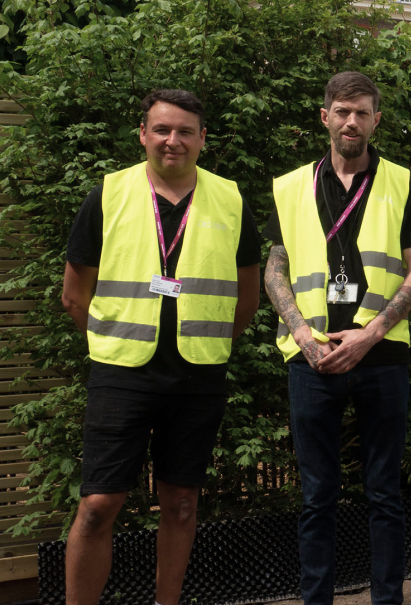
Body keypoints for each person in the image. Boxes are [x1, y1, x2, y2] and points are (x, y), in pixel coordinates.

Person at [61, 89, 261, 605]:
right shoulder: (108, 194)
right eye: (163, 130)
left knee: (181, 505)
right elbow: (74, 293)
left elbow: (246, 296)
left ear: (202, 139)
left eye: (185, 131)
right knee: (99, 505)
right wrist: (112, 342)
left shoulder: (231, 199)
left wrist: (212, 340)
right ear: (144, 134)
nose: (173, 141)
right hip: (121, 373)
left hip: (198, 375)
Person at [263, 72, 411, 605]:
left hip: (381, 357)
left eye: (361, 112)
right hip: (309, 359)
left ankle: (387, 600)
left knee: (384, 494)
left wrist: (369, 334)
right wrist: (304, 338)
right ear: (325, 117)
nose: (351, 121)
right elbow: (275, 271)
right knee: (316, 496)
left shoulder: (403, 182)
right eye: (341, 111)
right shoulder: (291, 186)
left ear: (376, 120)